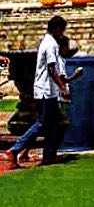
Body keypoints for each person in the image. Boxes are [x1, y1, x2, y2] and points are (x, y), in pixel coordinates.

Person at [5, 16, 72, 168]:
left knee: (54, 123)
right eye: (61, 30)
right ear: (56, 29)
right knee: (44, 122)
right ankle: (15, 149)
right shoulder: (51, 45)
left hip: (46, 90)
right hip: (46, 90)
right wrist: (62, 87)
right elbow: (51, 68)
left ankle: (48, 154)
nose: (62, 34)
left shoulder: (46, 42)